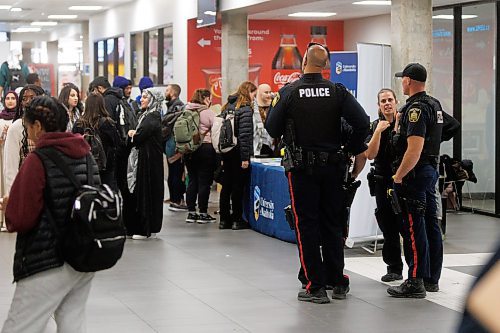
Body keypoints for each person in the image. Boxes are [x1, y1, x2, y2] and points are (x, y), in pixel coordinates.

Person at [265, 44, 369, 303]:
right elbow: (363, 122)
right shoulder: (337, 92)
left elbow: (272, 127)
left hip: (303, 170)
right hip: (334, 168)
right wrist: (353, 148)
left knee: (306, 225)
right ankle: (338, 281)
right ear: (326, 67)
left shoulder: (289, 92)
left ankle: (315, 286)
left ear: (303, 64)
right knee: (334, 223)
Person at [0, 96, 100, 332]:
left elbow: (21, 218)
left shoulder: (39, 159)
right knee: (72, 322)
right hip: (83, 255)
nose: (28, 132)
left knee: (20, 326)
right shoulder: (85, 155)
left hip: (46, 258)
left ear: (37, 126)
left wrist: (9, 205)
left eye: (27, 126)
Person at [388, 63, 443, 298]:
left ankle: (415, 280)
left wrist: (399, 175)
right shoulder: (434, 104)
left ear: (409, 81)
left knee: (413, 226)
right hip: (430, 171)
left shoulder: (416, 109)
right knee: (431, 224)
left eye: (403, 79)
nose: (402, 82)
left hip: (415, 173)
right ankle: (431, 278)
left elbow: (414, 149)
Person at [365, 88, 404, 282]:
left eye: (390, 100)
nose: (387, 103)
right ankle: (394, 268)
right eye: (383, 101)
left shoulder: (405, 122)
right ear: (379, 105)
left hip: (402, 179)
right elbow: (370, 154)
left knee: (405, 225)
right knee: (388, 227)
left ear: (396, 101)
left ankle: (416, 271)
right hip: (381, 181)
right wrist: (378, 132)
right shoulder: (374, 126)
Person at [127, 88, 164, 240]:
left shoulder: (151, 118)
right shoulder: (149, 116)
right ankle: (150, 227)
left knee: (146, 192)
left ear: (153, 100)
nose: (141, 100)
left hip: (148, 162)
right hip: (150, 161)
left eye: (144, 97)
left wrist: (132, 133)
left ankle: (145, 229)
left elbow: (139, 136)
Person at [218, 81, 256, 230]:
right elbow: (245, 136)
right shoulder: (245, 109)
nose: (254, 97)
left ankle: (223, 220)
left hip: (226, 151)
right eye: (253, 93)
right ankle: (237, 219)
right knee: (237, 187)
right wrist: (245, 158)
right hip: (238, 152)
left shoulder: (227, 107)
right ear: (248, 92)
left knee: (226, 186)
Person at [73, 92, 122, 189]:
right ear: (102, 105)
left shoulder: (78, 124)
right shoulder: (108, 123)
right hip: (106, 168)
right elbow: (117, 143)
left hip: (85, 168)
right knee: (105, 196)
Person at [3, 84, 45, 197]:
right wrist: (13, 198)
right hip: (25, 191)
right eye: (24, 99)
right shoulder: (16, 127)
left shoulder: (49, 125)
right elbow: (10, 169)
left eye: (32, 98)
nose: (27, 102)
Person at [183, 89, 217, 223]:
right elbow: (216, 130)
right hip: (205, 148)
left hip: (189, 150)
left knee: (192, 180)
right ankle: (203, 213)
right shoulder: (208, 112)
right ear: (206, 98)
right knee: (204, 182)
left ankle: (191, 213)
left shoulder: (186, 110)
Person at [163, 83, 187, 211]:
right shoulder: (175, 107)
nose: (165, 92)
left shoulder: (176, 107)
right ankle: (176, 200)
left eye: (167, 90)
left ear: (173, 93)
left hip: (173, 144)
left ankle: (176, 199)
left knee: (175, 173)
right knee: (175, 173)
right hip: (172, 145)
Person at [0, 91, 18, 232]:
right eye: (7, 98)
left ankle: (8, 219)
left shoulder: (17, 121)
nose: (10, 101)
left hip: (12, 158)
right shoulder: (0, 119)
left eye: (13, 98)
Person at [253, 83, 275, 156]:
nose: (269, 95)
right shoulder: (254, 108)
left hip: (273, 146)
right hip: (258, 146)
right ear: (260, 93)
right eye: (266, 92)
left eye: (270, 92)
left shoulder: (274, 107)